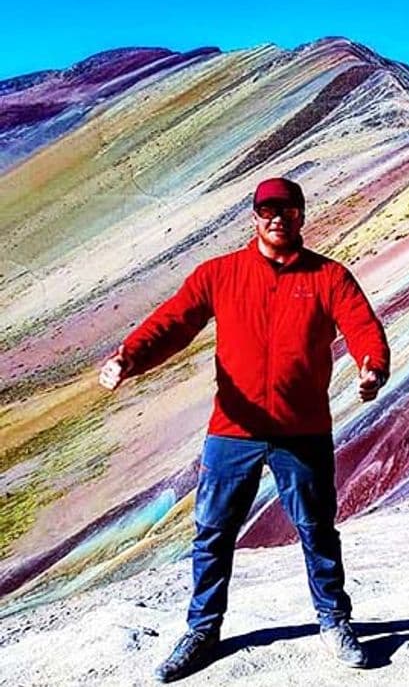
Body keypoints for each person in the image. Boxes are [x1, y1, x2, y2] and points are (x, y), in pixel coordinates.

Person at [98, 176, 391, 682]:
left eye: (288, 209)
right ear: (254, 217)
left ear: (302, 214)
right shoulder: (220, 274)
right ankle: (202, 631)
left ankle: (334, 621)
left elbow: (363, 326)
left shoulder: (328, 277)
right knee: (212, 533)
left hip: (302, 432)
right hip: (232, 431)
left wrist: (372, 367)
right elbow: (174, 322)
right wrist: (130, 357)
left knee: (317, 531)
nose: (277, 218)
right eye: (267, 210)